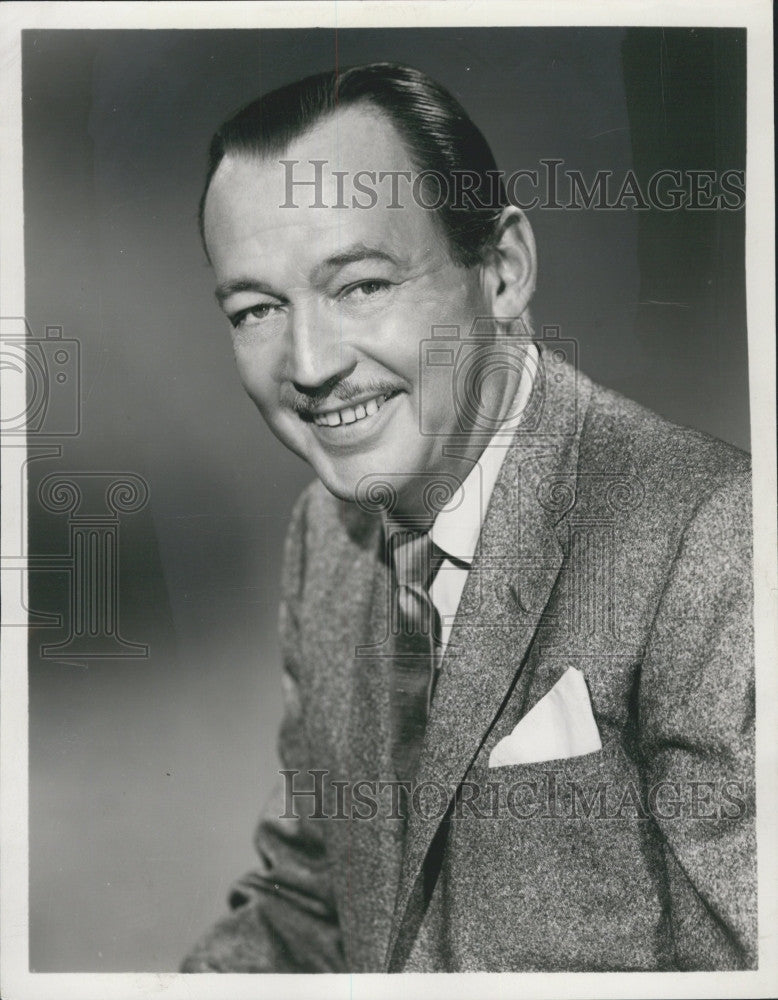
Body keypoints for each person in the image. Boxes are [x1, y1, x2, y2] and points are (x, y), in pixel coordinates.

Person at [181, 63, 755, 973]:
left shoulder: (711, 538)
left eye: (362, 286)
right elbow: (310, 908)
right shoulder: (323, 541)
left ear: (501, 273)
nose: (310, 360)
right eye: (256, 309)